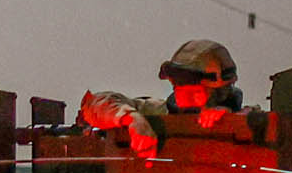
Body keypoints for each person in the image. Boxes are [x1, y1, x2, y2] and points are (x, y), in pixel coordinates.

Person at [74, 37, 246, 154]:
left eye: (192, 92)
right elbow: (96, 104)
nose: (180, 96)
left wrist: (229, 121)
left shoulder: (247, 118)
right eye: (176, 86)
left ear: (219, 92)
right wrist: (132, 119)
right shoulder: (158, 112)